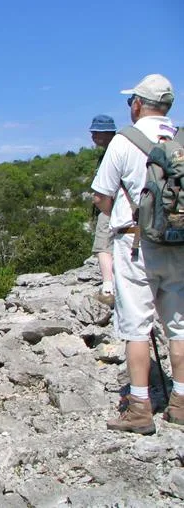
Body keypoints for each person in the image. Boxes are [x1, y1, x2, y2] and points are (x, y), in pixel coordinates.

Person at [92, 73, 183, 434]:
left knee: (137, 328)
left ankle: (140, 408)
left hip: (136, 245)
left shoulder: (124, 141)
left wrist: (118, 214)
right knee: (178, 326)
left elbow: (101, 194)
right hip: (178, 242)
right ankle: (179, 401)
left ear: (137, 104)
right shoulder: (178, 139)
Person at [88, 115, 117, 307]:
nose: (94, 136)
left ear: (109, 133)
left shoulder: (112, 152)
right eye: (93, 132)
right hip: (125, 208)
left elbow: (102, 192)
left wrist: (104, 209)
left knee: (103, 246)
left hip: (110, 207)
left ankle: (108, 288)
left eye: (98, 132)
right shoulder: (118, 149)